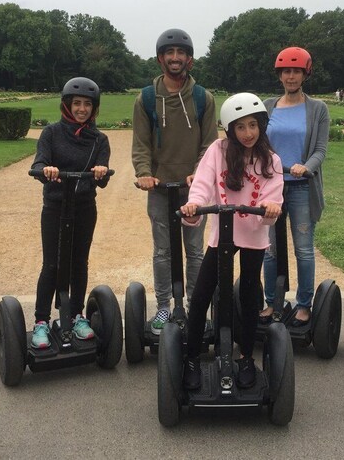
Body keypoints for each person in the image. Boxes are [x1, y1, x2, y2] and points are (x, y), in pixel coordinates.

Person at [179, 93, 283, 390]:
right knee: (200, 298)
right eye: (240, 127)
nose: (248, 133)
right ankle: (192, 357)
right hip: (222, 233)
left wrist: (272, 207)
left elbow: (273, 194)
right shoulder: (218, 150)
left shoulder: (271, 160)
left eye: (253, 125)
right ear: (230, 130)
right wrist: (194, 205)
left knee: (250, 297)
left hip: (253, 236)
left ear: (262, 125)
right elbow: (202, 184)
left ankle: (247, 356)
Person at [132, 29, 218, 334]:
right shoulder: (145, 98)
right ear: (160, 59)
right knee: (163, 252)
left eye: (181, 53)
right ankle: (165, 308)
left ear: (190, 59)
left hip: (194, 190)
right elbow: (141, 143)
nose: (175, 58)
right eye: (169, 53)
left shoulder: (202, 98)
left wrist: (200, 173)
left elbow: (210, 143)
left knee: (195, 251)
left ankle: (196, 305)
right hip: (159, 188)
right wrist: (144, 173)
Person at [30, 77, 111, 349]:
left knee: (79, 261)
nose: (81, 109)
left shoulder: (99, 139)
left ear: (94, 108)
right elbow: (39, 163)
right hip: (55, 206)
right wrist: (46, 170)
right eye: (76, 103)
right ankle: (41, 321)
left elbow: (103, 175)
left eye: (87, 104)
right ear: (67, 105)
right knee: (52, 263)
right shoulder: (51, 133)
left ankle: (77, 316)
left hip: (84, 207)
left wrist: (100, 171)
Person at [260, 46, 329, 327]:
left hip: (301, 186)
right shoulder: (268, 106)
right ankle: (272, 302)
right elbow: (259, 142)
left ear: (305, 74)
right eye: (286, 71)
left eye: (296, 71)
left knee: (303, 248)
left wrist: (306, 166)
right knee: (269, 249)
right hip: (272, 187)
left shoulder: (317, 109)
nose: (291, 76)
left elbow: (321, 149)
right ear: (280, 75)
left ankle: (303, 304)